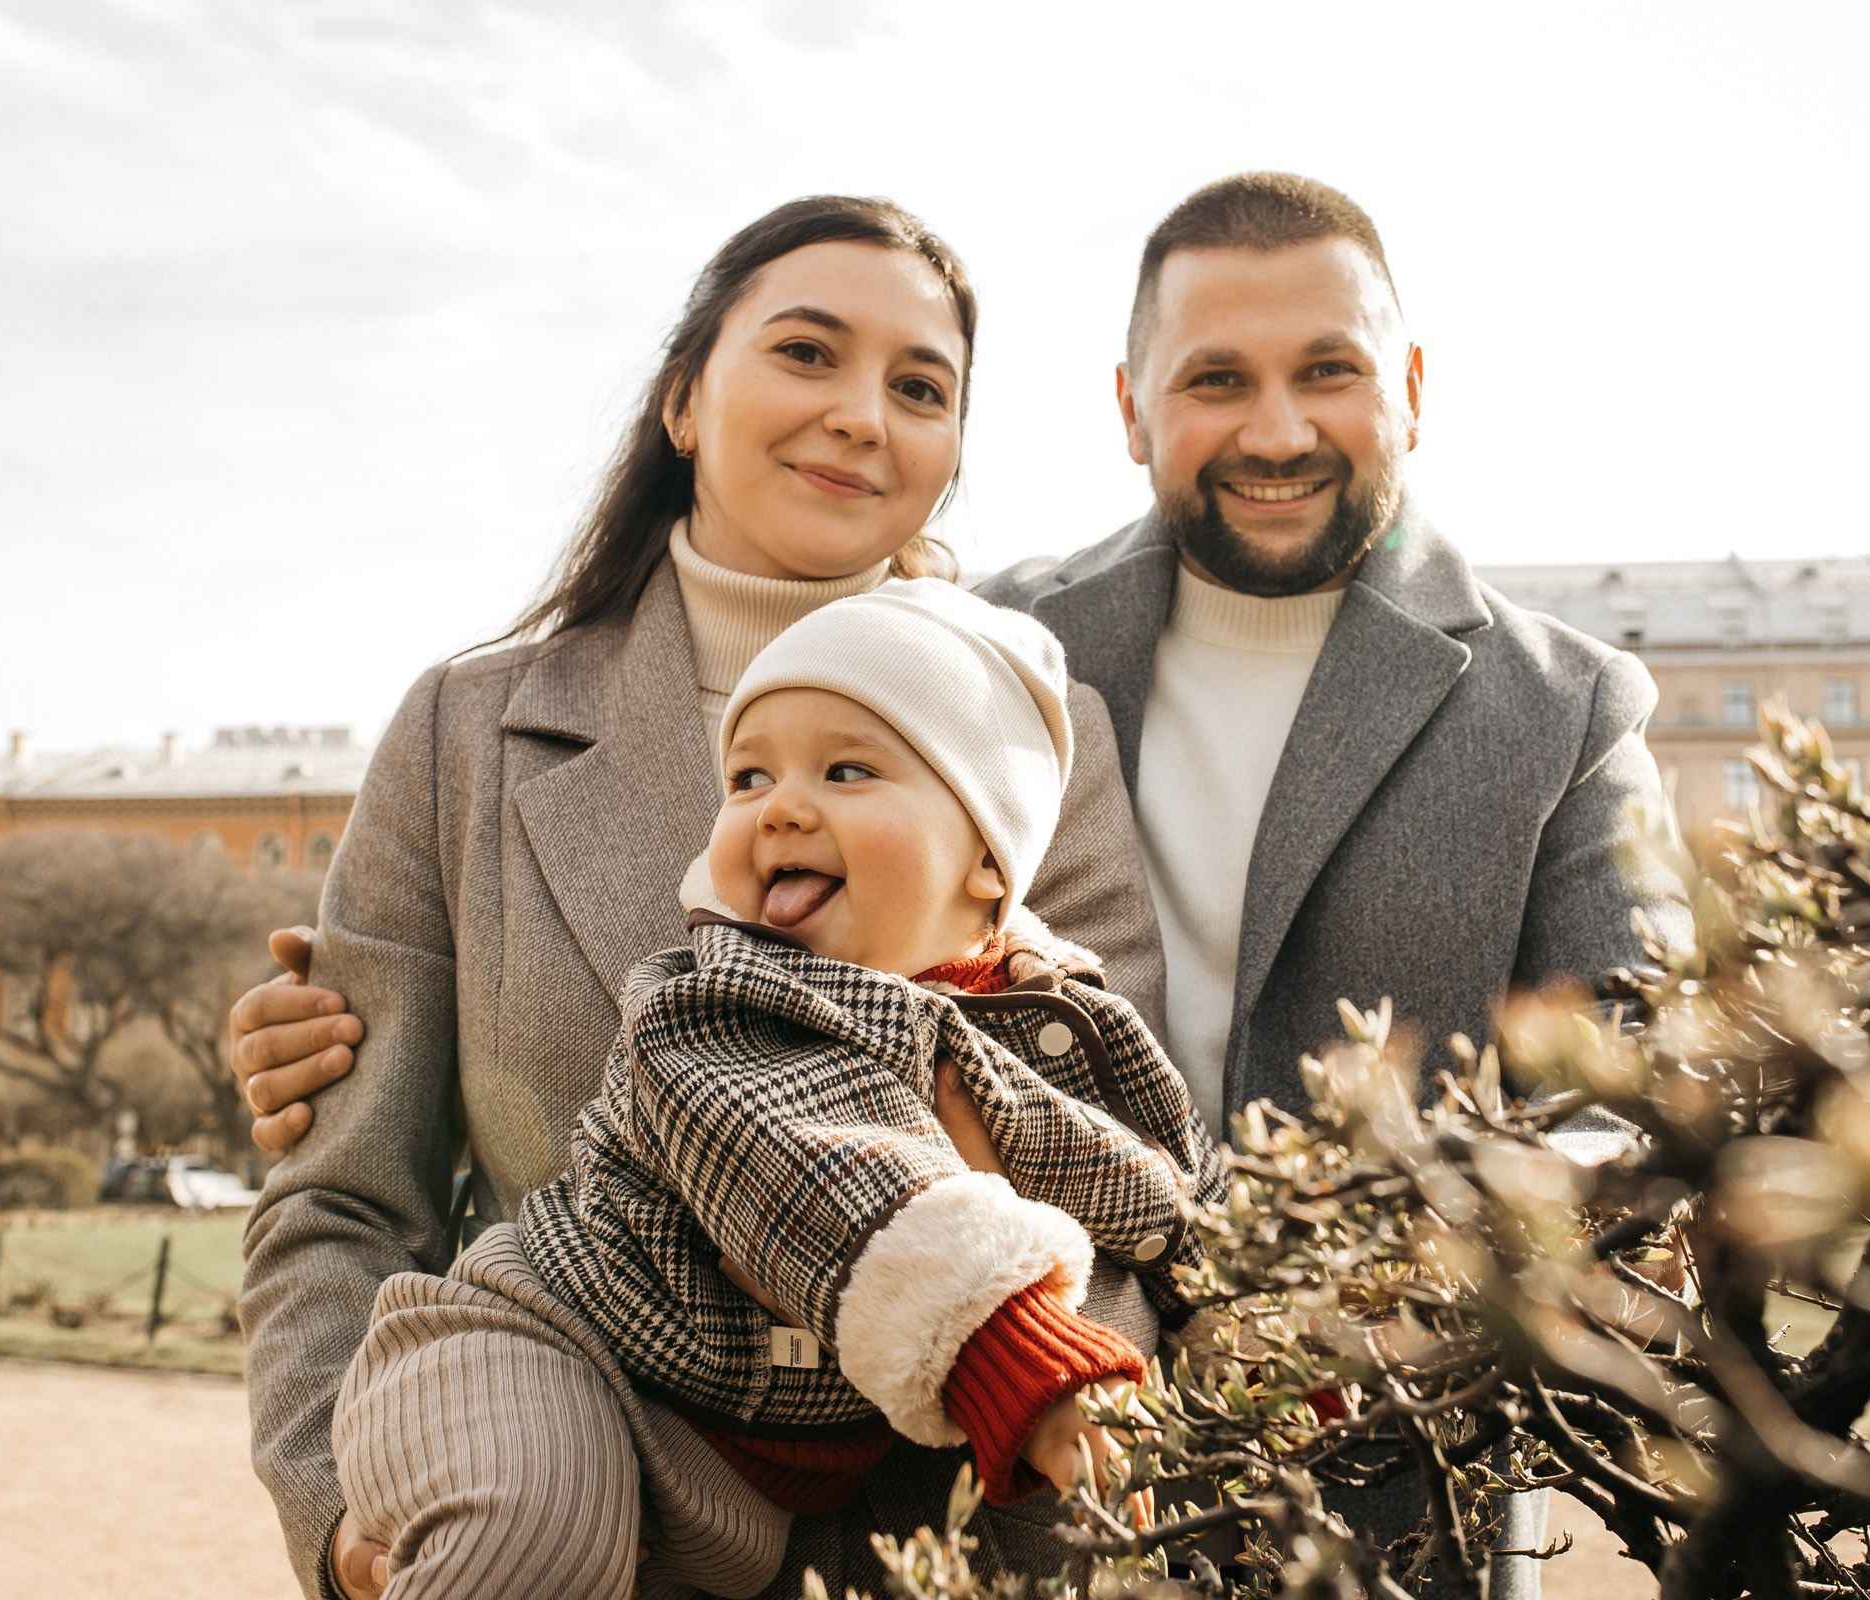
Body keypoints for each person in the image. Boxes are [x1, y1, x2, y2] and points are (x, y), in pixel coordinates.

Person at [234, 196, 1166, 1600]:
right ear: (683, 398)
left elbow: (1096, 1161)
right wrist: (341, 1509)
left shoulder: (1047, 740)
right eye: (807, 353)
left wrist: (1071, 1466)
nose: (862, 414)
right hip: (555, 1506)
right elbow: (341, 1197)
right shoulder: (462, 732)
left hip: (939, 1543)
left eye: (921, 387)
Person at [975, 172, 1692, 1595]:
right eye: (1217, 380)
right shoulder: (994, 643)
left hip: (1392, 1494)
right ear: (1131, 406)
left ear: (1411, 387)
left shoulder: (1567, 706)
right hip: (1019, 1477)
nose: (1278, 430)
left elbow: (1642, 1072)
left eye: (1330, 372)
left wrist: (1432, 1266)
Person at [329, 580, 1221, 1596]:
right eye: (749, 777)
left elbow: (1174, 1202)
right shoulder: (715, 1004)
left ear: (987, 855)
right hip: (552, 1355)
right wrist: (1022, 1352)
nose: (782, 805)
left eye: (847, 770)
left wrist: (1287, 1355)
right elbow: (833, 1172)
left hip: (753, 1472)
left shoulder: (1072, 1027)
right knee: (528, 1536)